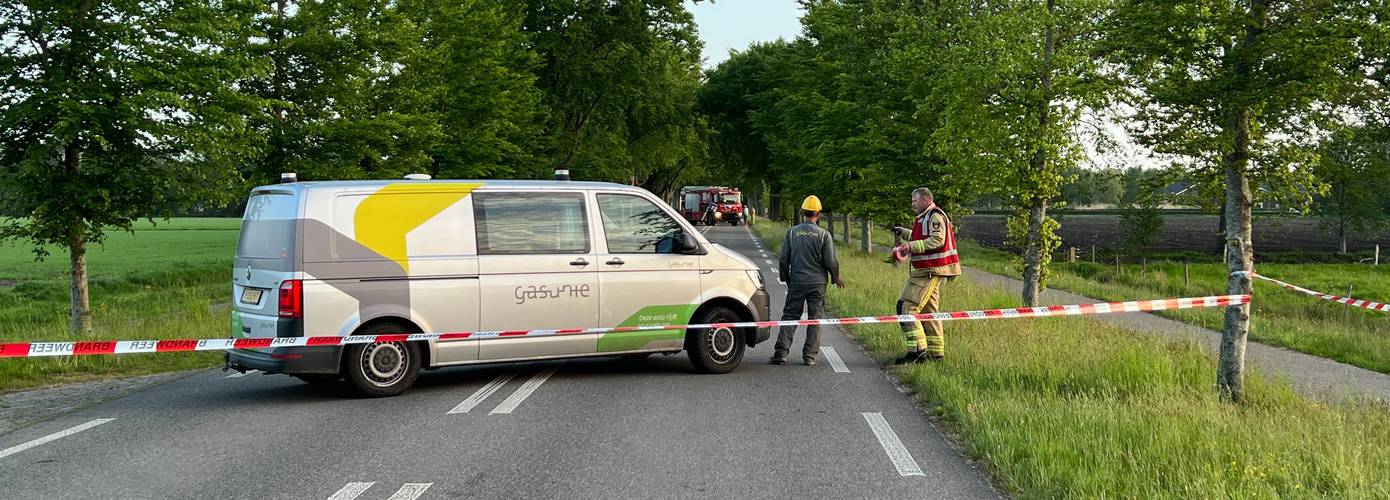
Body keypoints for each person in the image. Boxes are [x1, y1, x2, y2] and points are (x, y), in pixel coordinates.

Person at [891, 187, 961, 364]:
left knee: (907, 308)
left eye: (915, 200)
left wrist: (910, 247)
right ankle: (936, 355)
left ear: (925, 200)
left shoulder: (934, 216)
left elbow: (937, 239)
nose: (912, 204)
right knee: (930, 312)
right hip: (928, 270)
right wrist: (904, 233)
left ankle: (917, 351)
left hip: (930, 271)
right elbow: (920, 236)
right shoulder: (925, 217)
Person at [772, 196, 845, 366]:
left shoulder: (791, 233)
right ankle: (810, 356)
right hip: (818, 284)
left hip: (797, 282)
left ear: (803, 213)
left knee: (790, 316)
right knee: (814, 319)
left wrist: (786, 278)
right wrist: (835, 278)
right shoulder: (824, 235)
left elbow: (783, 259)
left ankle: (781, 353)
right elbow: (831, 261)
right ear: (818, 214)